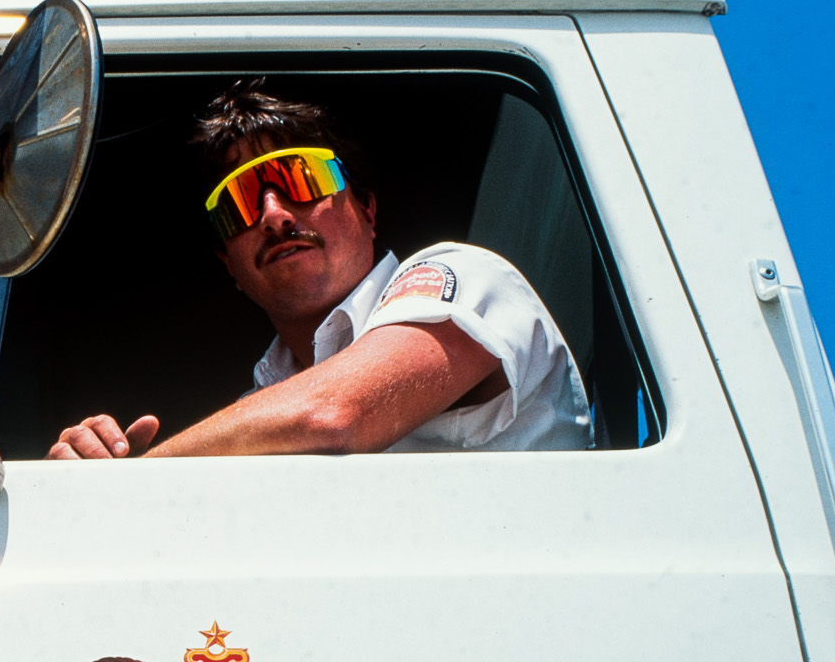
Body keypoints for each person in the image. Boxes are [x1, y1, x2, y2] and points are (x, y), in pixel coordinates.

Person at [45, 82, 591, 459]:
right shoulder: (258, 408)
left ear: (367, 210)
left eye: (303, 179)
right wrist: (95, 479)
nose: (275, 215)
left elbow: (336, 413)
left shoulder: (463, 278)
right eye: (239, 202)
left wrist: (144, 476)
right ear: (229, 265)